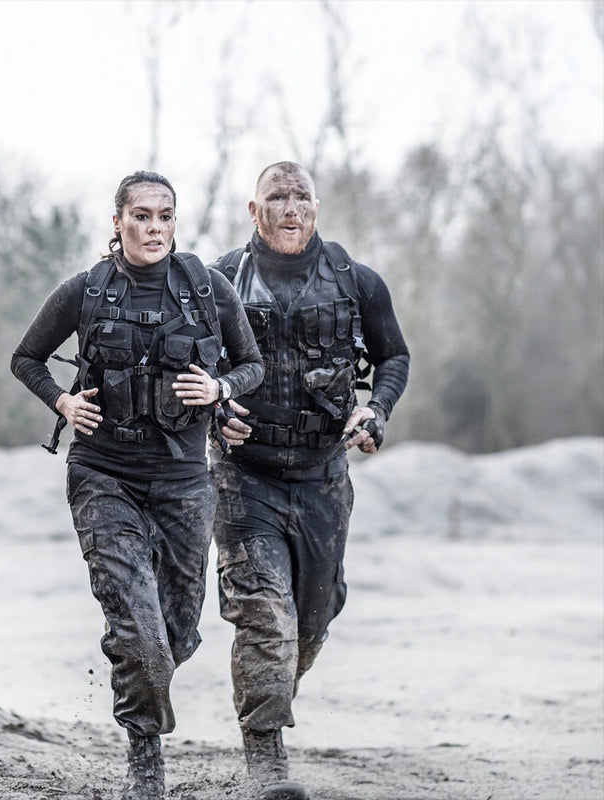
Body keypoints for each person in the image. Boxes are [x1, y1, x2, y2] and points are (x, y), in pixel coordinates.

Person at [11, 170, 264, 800]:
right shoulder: (86, 289)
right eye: (142, 216)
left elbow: (252, 366)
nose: (154, 228)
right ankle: (145, 762)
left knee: (175, 635)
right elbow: (25, 358)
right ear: (118, 221)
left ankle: (137, 659)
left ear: (176, 221)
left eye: (165, 216)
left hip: (184, 480)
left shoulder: (207, 288)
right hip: (104, 475)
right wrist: (63, 402)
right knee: (142, 638)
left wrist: (220, 388)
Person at [209, 161, 410, 800]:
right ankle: (266, 759)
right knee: (264, 614)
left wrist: (375, 412)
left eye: (301, 197)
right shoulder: (216, 281)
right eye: (276, 197)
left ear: (316, 209)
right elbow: (185, 365)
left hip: (324, 476)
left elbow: (394, 357)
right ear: (254, 210)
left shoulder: (357, 282)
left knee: (314, 618)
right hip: (244, 479)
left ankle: (269, 687)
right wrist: (213, 413)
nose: (290, 208)